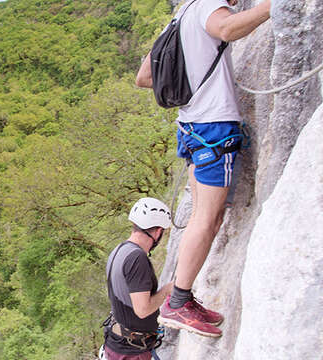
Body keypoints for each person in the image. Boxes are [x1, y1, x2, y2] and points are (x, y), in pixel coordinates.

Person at [134, 0, 272, 337]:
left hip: (191, 125)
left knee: (206, 216)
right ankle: (179, 302)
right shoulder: (208, 4)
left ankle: (184, 298)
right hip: (213, 127)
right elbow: (226, 28)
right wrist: (273, 6)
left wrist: (190, 80)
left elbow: (144, 76)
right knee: (206, 218)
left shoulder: (181, 14)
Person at [103, 198, 173, 360]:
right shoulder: (137, 258)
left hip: (120, 342)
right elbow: (142, 310)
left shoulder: (120, 250)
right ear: (158, 232)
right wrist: (167, 290)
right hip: (132, 350)